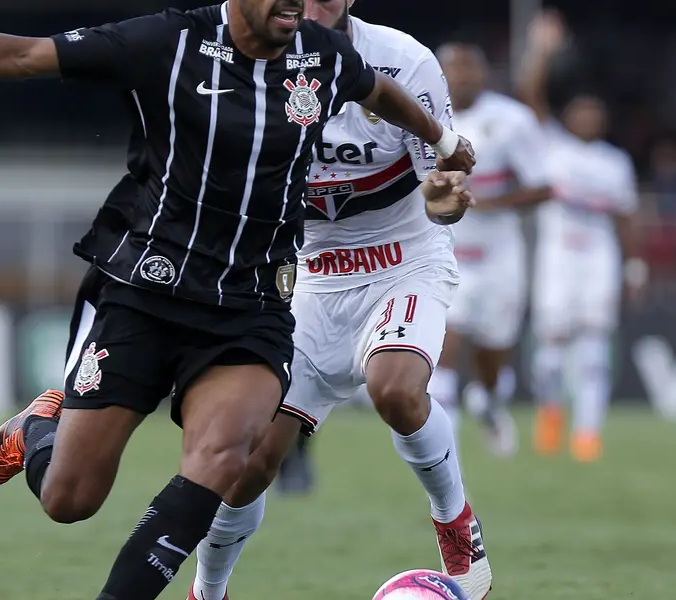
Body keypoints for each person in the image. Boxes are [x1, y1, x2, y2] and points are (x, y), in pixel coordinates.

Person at [0, 2, 475, 599]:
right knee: (68, 498)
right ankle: (38, 429)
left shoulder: (322, 55)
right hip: (147, 294)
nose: (294, 5)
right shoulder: (168, 42)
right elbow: (23, 54)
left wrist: (444, 146)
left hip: (252, 307)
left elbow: (379, 91)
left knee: (228, 458)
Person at [188, 2, 491, 599]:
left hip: (403, 260)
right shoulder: (244, 68)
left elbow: (444, 196)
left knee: (396, 390)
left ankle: (455, 522)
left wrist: (446, 197)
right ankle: (208, 591)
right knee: (245, 464)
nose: (308, 6)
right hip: (308, 280)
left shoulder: (404, 63)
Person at [516, 10, 643, 462]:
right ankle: (550, 412)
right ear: (569, 117)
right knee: (550, 351)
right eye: (581, 111)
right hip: (558, 259)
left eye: (596, 113)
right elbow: (529, 95)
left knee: (593, 350)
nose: (589, 118)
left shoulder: (615, 163)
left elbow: (627, 217)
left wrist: (634, 265)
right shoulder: (553, 147)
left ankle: (588, 431)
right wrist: (541, 52)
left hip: (598, 262)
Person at [427, 41, 553, 458]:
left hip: (500, 253)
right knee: (446, 347)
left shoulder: (512, 120)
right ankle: (449, 456)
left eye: (469, 70)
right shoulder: (422, 116)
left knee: (493, 352)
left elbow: (542, 187)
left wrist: (490, 203)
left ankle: (489, 401)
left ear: (484, 74)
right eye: (453, 70)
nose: (461, 78)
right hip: (446, 250)